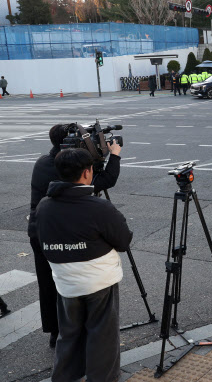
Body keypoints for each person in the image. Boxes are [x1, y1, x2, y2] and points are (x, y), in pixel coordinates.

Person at [36, 148, 132, 382]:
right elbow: (123, 241)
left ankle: (64, 377)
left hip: (65, 282)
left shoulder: (44, 206)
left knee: (69, 335)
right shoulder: (98, 208)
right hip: (99, 280)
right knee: (102, 336)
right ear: (88, 173)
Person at [28, 124, 122, 347]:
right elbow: (103, 181)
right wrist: (114, 156)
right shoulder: (67, 171)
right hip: (61, 232)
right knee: (68, 281)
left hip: (39, 231)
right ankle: (72, 333)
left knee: (48, 282)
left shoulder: (44, 161)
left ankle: (55, 332)